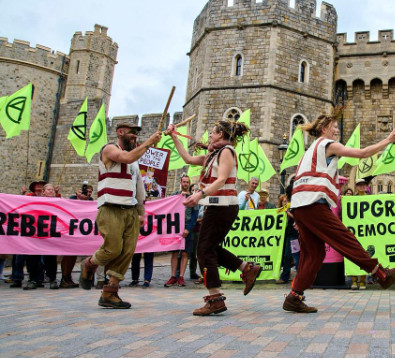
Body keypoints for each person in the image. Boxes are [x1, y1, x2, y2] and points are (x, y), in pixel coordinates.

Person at [283, 109, 395, 313]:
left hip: (300, 205)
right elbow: (362, 154)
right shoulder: (327, 144)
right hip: (312, 203)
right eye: (334, 127)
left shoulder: (311, 149)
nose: (337, 130)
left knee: (314, 253)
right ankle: (380, 274)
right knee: (344, 238)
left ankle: (294, 296)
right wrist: (388, 140)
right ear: (324, 129)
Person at [166, 119, 262, 316]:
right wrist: (174, 137)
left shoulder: (227, 152)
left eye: (213, 132)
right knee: (210, 248)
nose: (209, 134)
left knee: (203, 250)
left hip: (223, 207)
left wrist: (199, 194)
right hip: (216, 207)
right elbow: (187, 158)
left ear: (221, 134)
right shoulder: (212, 155)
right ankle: (247, 268)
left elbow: (222, 179)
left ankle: (215, 298)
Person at [79, 122, 162, 309]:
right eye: (132, 135)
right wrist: (149, 142)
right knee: (113, 248)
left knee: (127, 252)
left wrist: (141, 212)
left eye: (136, 136)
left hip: (130, 210)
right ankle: (89, 264)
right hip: (111, 208)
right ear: (120, 132)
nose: (135, 138)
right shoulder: (109, 149)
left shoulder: (134, 162)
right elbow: (125, 157)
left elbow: (138, 187)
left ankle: (110, 292)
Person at [165, 174, 197, 287]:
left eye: (187, 182)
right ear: (181, 182)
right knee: (174, 253)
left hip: (187, 228)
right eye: (184, 182)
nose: (185, 184)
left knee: (185, 253)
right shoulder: (174, 195)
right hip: (175, 228)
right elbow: (167, 207)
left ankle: (181, 277)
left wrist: (188, 229)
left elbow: (195, 215)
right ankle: (173, 276)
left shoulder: (193, 197)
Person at [349, 178, 371, 290]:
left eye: (363, 185)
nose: (362, 187)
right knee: (354, 255)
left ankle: (362, 281)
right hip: (355, 230)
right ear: (356, 186)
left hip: (366, 231)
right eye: (359, 185)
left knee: (364, 255)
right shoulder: (352, 199)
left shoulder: (369, 198)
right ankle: (354, 280)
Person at [275, 189, 300, 284]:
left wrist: (288, 213)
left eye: (286, 201)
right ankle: (285, 276)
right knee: (287, 256)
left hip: (293, 235)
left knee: (295, 256)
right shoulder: (281, 210)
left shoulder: (293, 207)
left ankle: (300, 277)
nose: (285, 202)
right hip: (287, 235)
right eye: (283, 201)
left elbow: (296, 217)